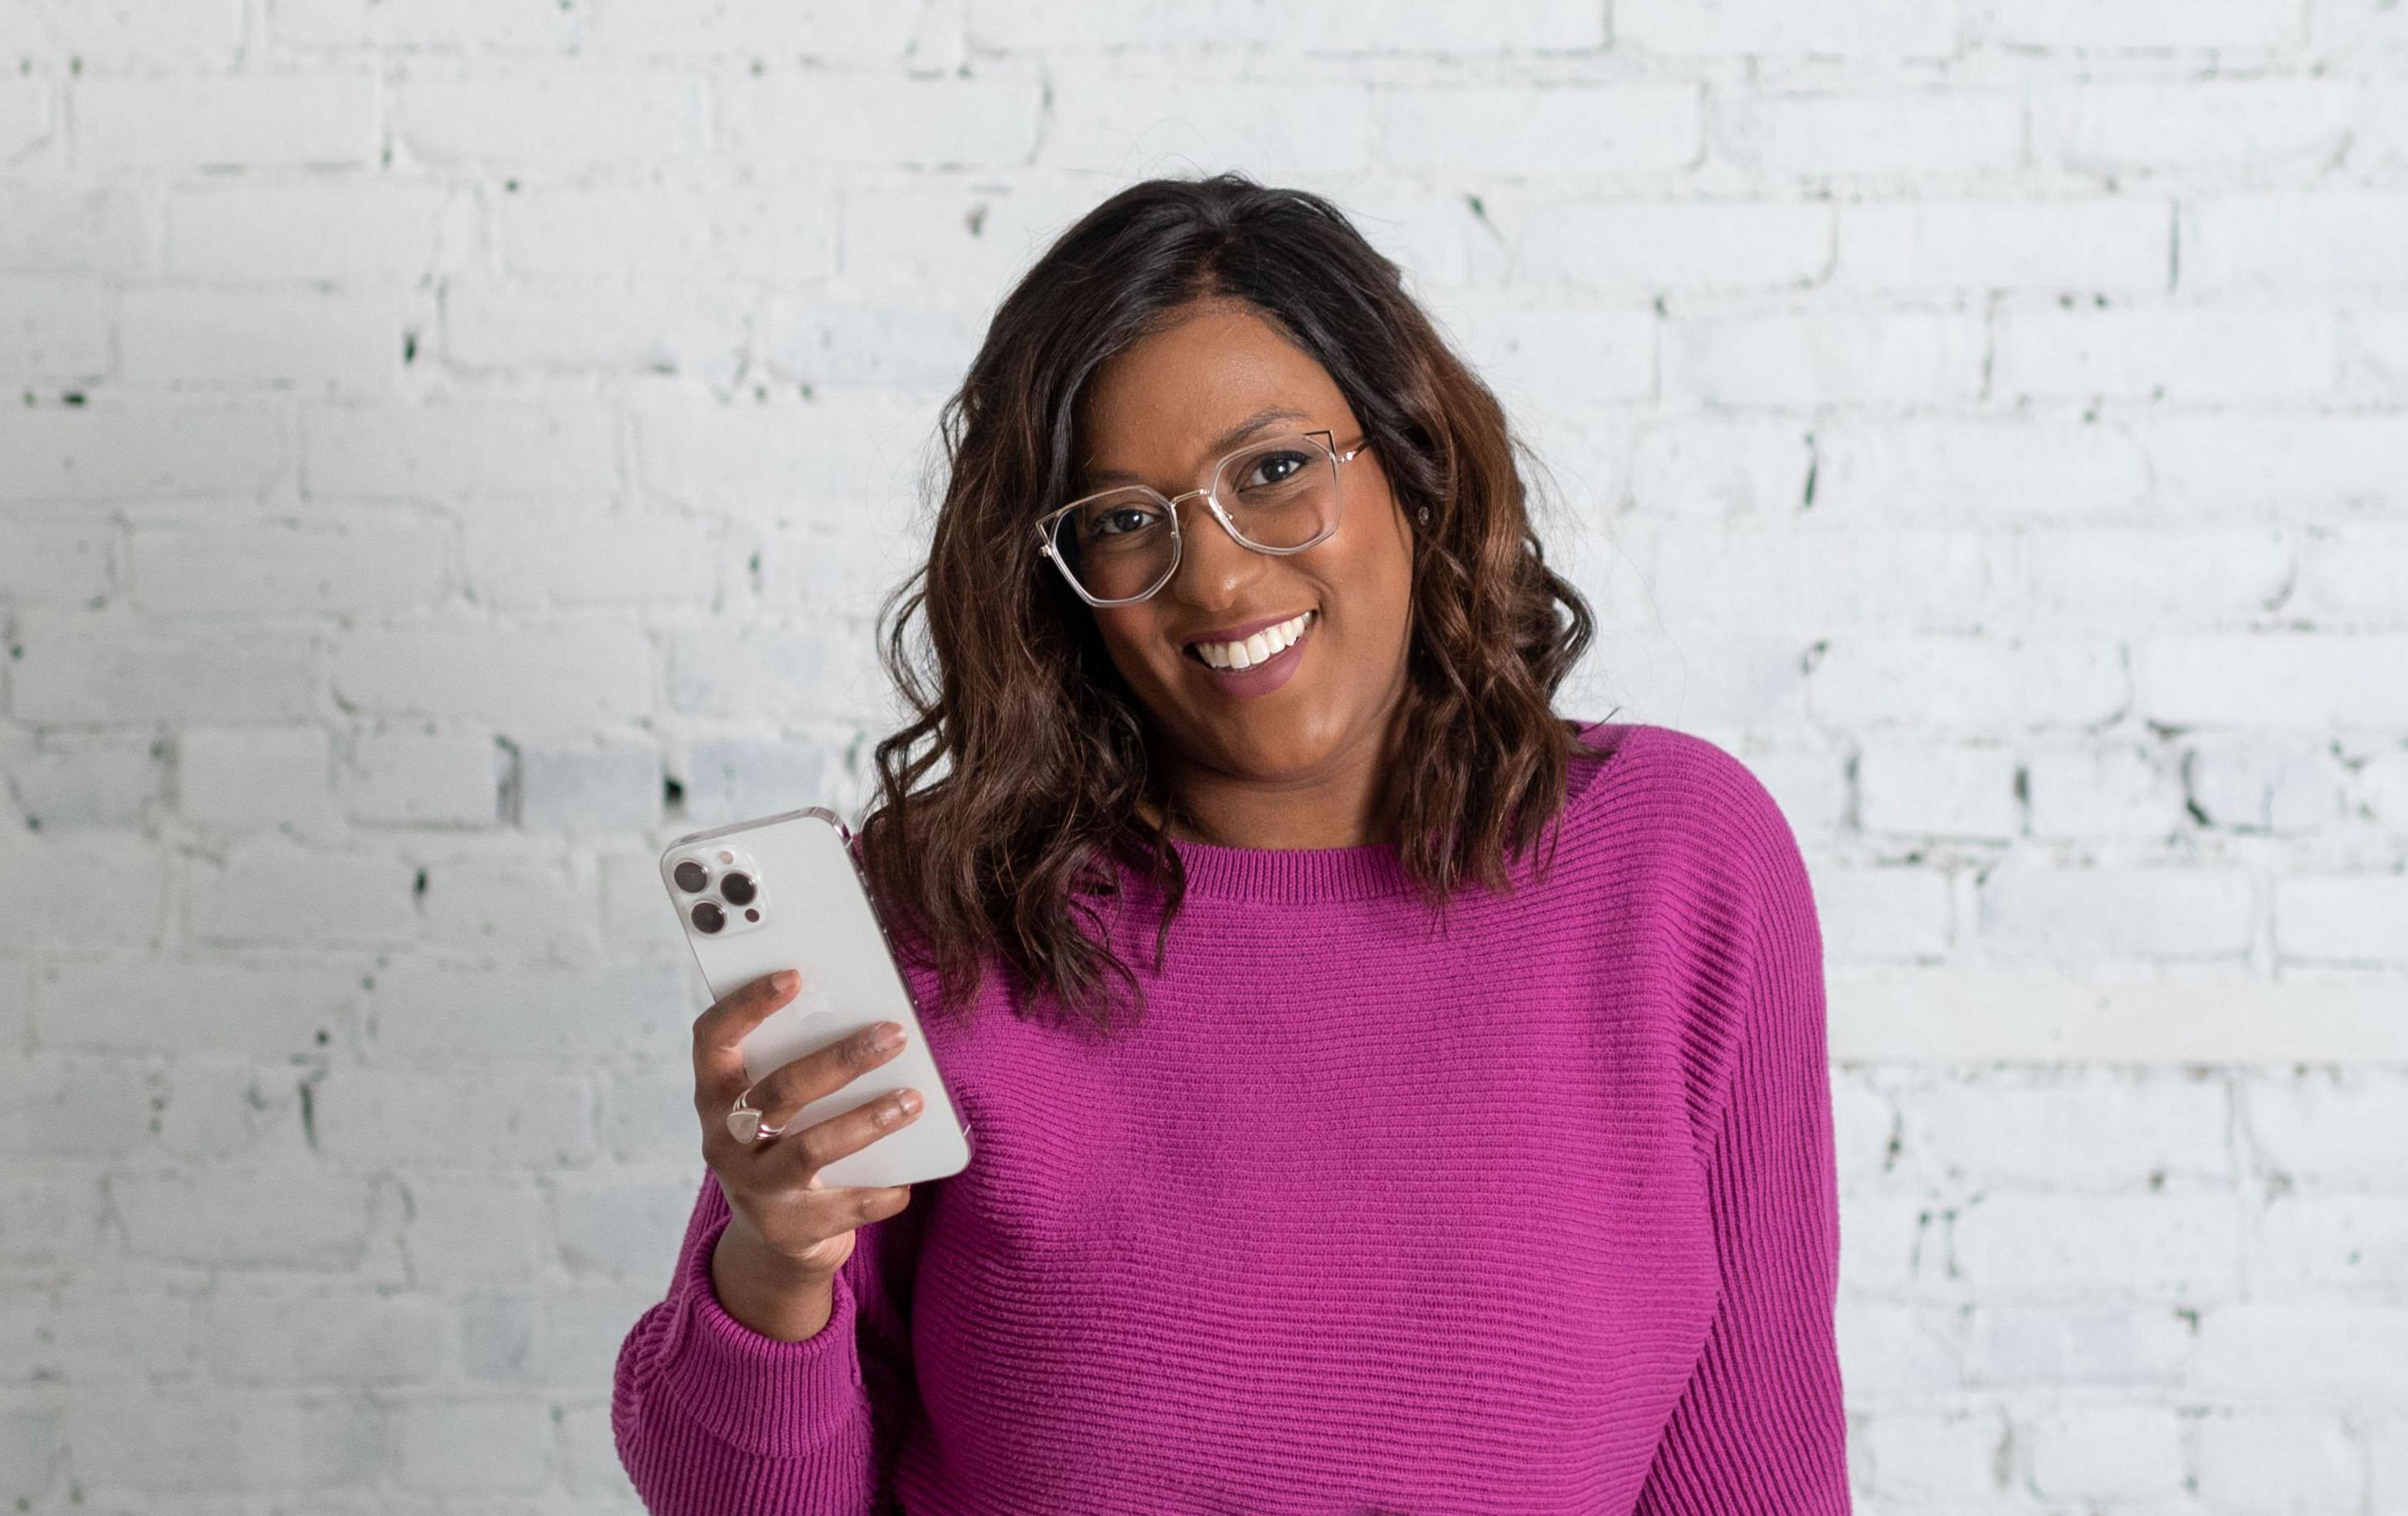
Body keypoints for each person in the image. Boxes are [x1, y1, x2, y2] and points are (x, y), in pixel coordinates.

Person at [612, 173, 1850, 1515]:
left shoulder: (1676, 866)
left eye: (1274, 471)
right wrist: (775, 1270)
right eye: (1123, 522)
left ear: (1412, 462)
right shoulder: (943, 912)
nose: (1216, 579)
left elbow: (1757, 1458)